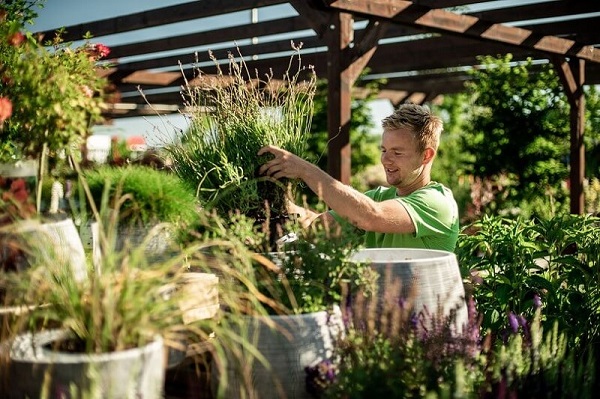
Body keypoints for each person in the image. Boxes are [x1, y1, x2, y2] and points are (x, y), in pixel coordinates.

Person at [258, 103, 459, 252]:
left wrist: (305, 170)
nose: (386, 160)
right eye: (384, 150)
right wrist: (272, 202)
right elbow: (317, 228)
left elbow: (371, 216)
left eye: (397, 153)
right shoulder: (379, 197)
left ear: (426, 155)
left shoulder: (437, 202)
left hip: (423, 308)